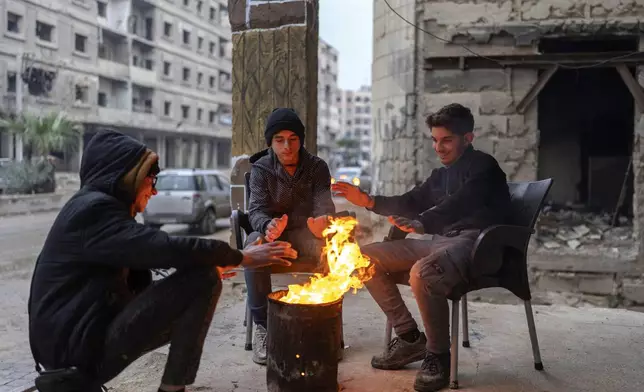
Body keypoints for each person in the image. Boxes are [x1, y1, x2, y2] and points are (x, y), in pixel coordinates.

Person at [28, 129, 297, 392]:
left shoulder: (96, 208)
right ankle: (173, 388)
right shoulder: (93, 210)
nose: (154, 192)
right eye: (151, 180)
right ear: (127, 178)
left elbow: (140, 280)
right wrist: (240, 257)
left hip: (79, 344)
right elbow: (163, 247)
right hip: (74, 355)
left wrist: (210, 265)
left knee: (202, 275)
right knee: (202, 279)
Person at [332, 103, 511, 392]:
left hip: (477, 244)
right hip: (440, 243)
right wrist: (368, 201)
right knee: (362, 258)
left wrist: (422, 222)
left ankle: (438, 356)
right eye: (435, 140)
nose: (439, 147)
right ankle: (409, 338)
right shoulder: (440, 176)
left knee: (423, 273)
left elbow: (461, 202)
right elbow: (411, 201)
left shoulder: (483, 166)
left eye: (447, 140)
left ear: (468, 138)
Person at [245, 108, 336, 365]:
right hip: (275, 238)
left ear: (301, 140)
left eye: (293, 139)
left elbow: (324, 205)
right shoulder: (261, 168)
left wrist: (322, 224)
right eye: (279, 140)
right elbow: (256, 211)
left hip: (308, 236)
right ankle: (264, 327)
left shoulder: (317, 167)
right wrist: (267, 225)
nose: (287, 146)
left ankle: (327, 326)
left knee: (334, 249)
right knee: (253, 246)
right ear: (271, 142)